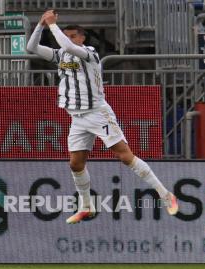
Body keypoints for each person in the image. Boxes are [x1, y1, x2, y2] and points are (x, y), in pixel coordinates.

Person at [27, 10, 178, 224]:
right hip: (78, 118)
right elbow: (31, 48)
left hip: (98, 113)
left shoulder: (89, 53)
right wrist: (40, 25)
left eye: (73, 36)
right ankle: (86, 206)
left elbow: (69, 46)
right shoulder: (61, 55)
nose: (68, 40)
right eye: (66, 36)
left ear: (82, 38)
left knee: (125, 156)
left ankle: (166, 195)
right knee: (75, 164)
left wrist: (52, 25)